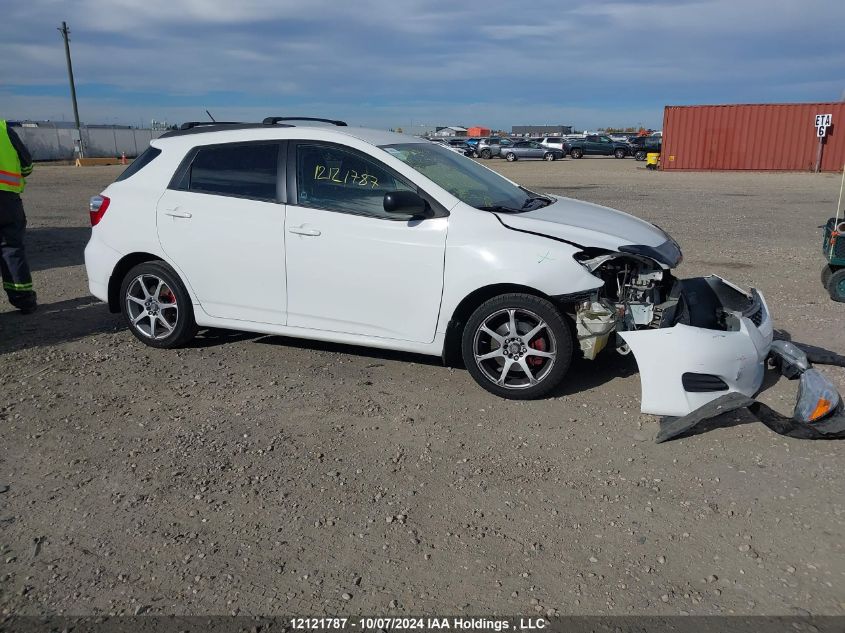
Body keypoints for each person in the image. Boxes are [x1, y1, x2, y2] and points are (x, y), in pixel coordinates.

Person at [0, 119, 36, 314]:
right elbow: (27, 166)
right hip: (6, 200)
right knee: (12, 248)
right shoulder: (4, 129)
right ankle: (23, 299)